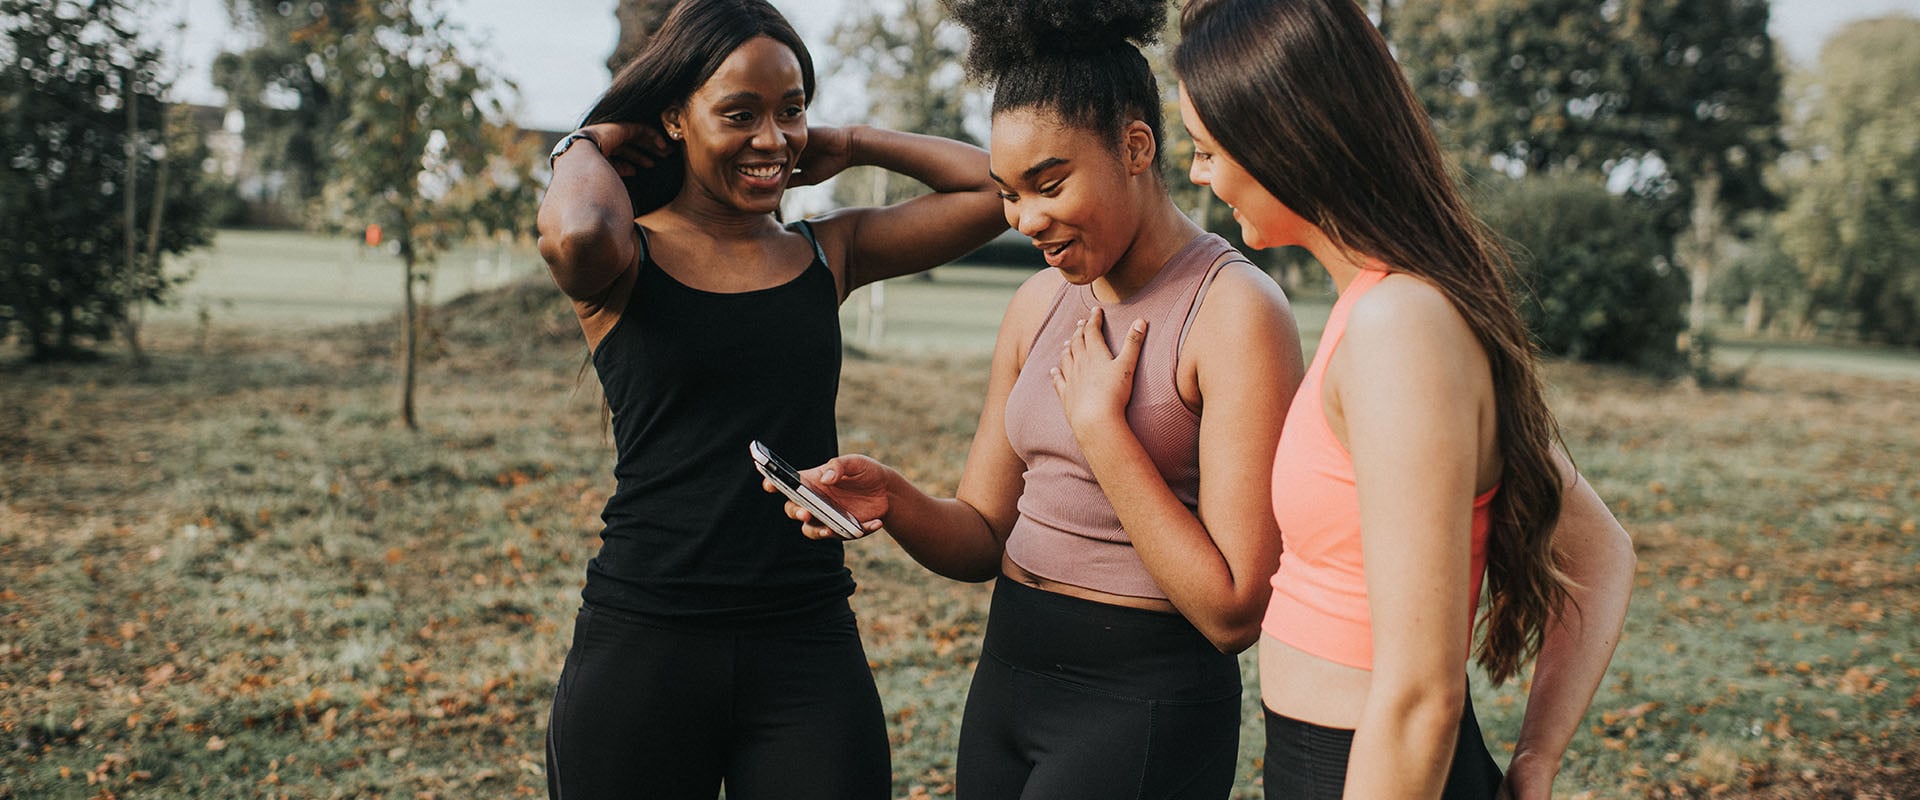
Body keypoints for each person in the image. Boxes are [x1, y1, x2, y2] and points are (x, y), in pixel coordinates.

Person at [769, 0, 1304, 796]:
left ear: (1135, 146)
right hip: (1008, 684)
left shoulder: (1234, 312)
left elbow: (1234, 611)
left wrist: (1103, 430)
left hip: (1142, 702)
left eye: (1048, 184)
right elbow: (984, 534)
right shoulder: (1038, 306)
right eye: (1010, 193)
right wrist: (894, 497)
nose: (1026, 220)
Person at [533, 0, 1006, 796]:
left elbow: (997, 192)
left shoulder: (828, 251)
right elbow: (576, 230)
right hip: (647, 635)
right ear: (677, 120)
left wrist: (849, 143)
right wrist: (587, 141)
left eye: (791, 112)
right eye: (739, 114)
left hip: (805, 638)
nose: (772, 138)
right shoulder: (623, 259)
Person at [1170, 0, 1637, 797]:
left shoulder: (1400, 328)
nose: (1198, 173)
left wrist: (1537, 760)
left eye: (1207, 149)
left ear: (1282, 137)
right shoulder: (1389, 310)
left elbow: (1421, 695)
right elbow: (1600, 549)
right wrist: (1532, 761)